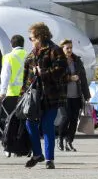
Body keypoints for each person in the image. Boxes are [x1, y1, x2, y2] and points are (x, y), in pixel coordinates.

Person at [21, 22, 68, 169]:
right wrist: (22, 94)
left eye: (32, 38)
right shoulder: (32, 54)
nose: (31, 40)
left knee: (47, 125)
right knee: (30, 123)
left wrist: (44, 73)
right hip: (35, 97)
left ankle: (49, 159)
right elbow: (26, 77)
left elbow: (61, 70)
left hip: (52, 96)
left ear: (41, 36)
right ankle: (37, 154)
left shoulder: (55, 50)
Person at [58, 39, 91, 152]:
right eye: (67, 48)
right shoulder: (58, 61)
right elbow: (56, 77)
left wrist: (86, 94)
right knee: (66, 117)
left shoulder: (77, 60)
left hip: (76, 95)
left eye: (71, 48)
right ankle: (60, 138)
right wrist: (69, 78)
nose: (69, 50)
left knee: (74, 119)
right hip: (64, 96)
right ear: (62, 49)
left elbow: (83, 78)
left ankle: (69, 141)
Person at [0, 35, 26, 157]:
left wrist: (2, 91)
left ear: (11, 44)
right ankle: (21, 148)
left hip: (12, 93)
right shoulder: (29, 55)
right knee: (22, 122)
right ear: (23, 44)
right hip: (26, 94)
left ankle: (8, 147)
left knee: (10, 122)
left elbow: (5, 75)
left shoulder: (8, 57)